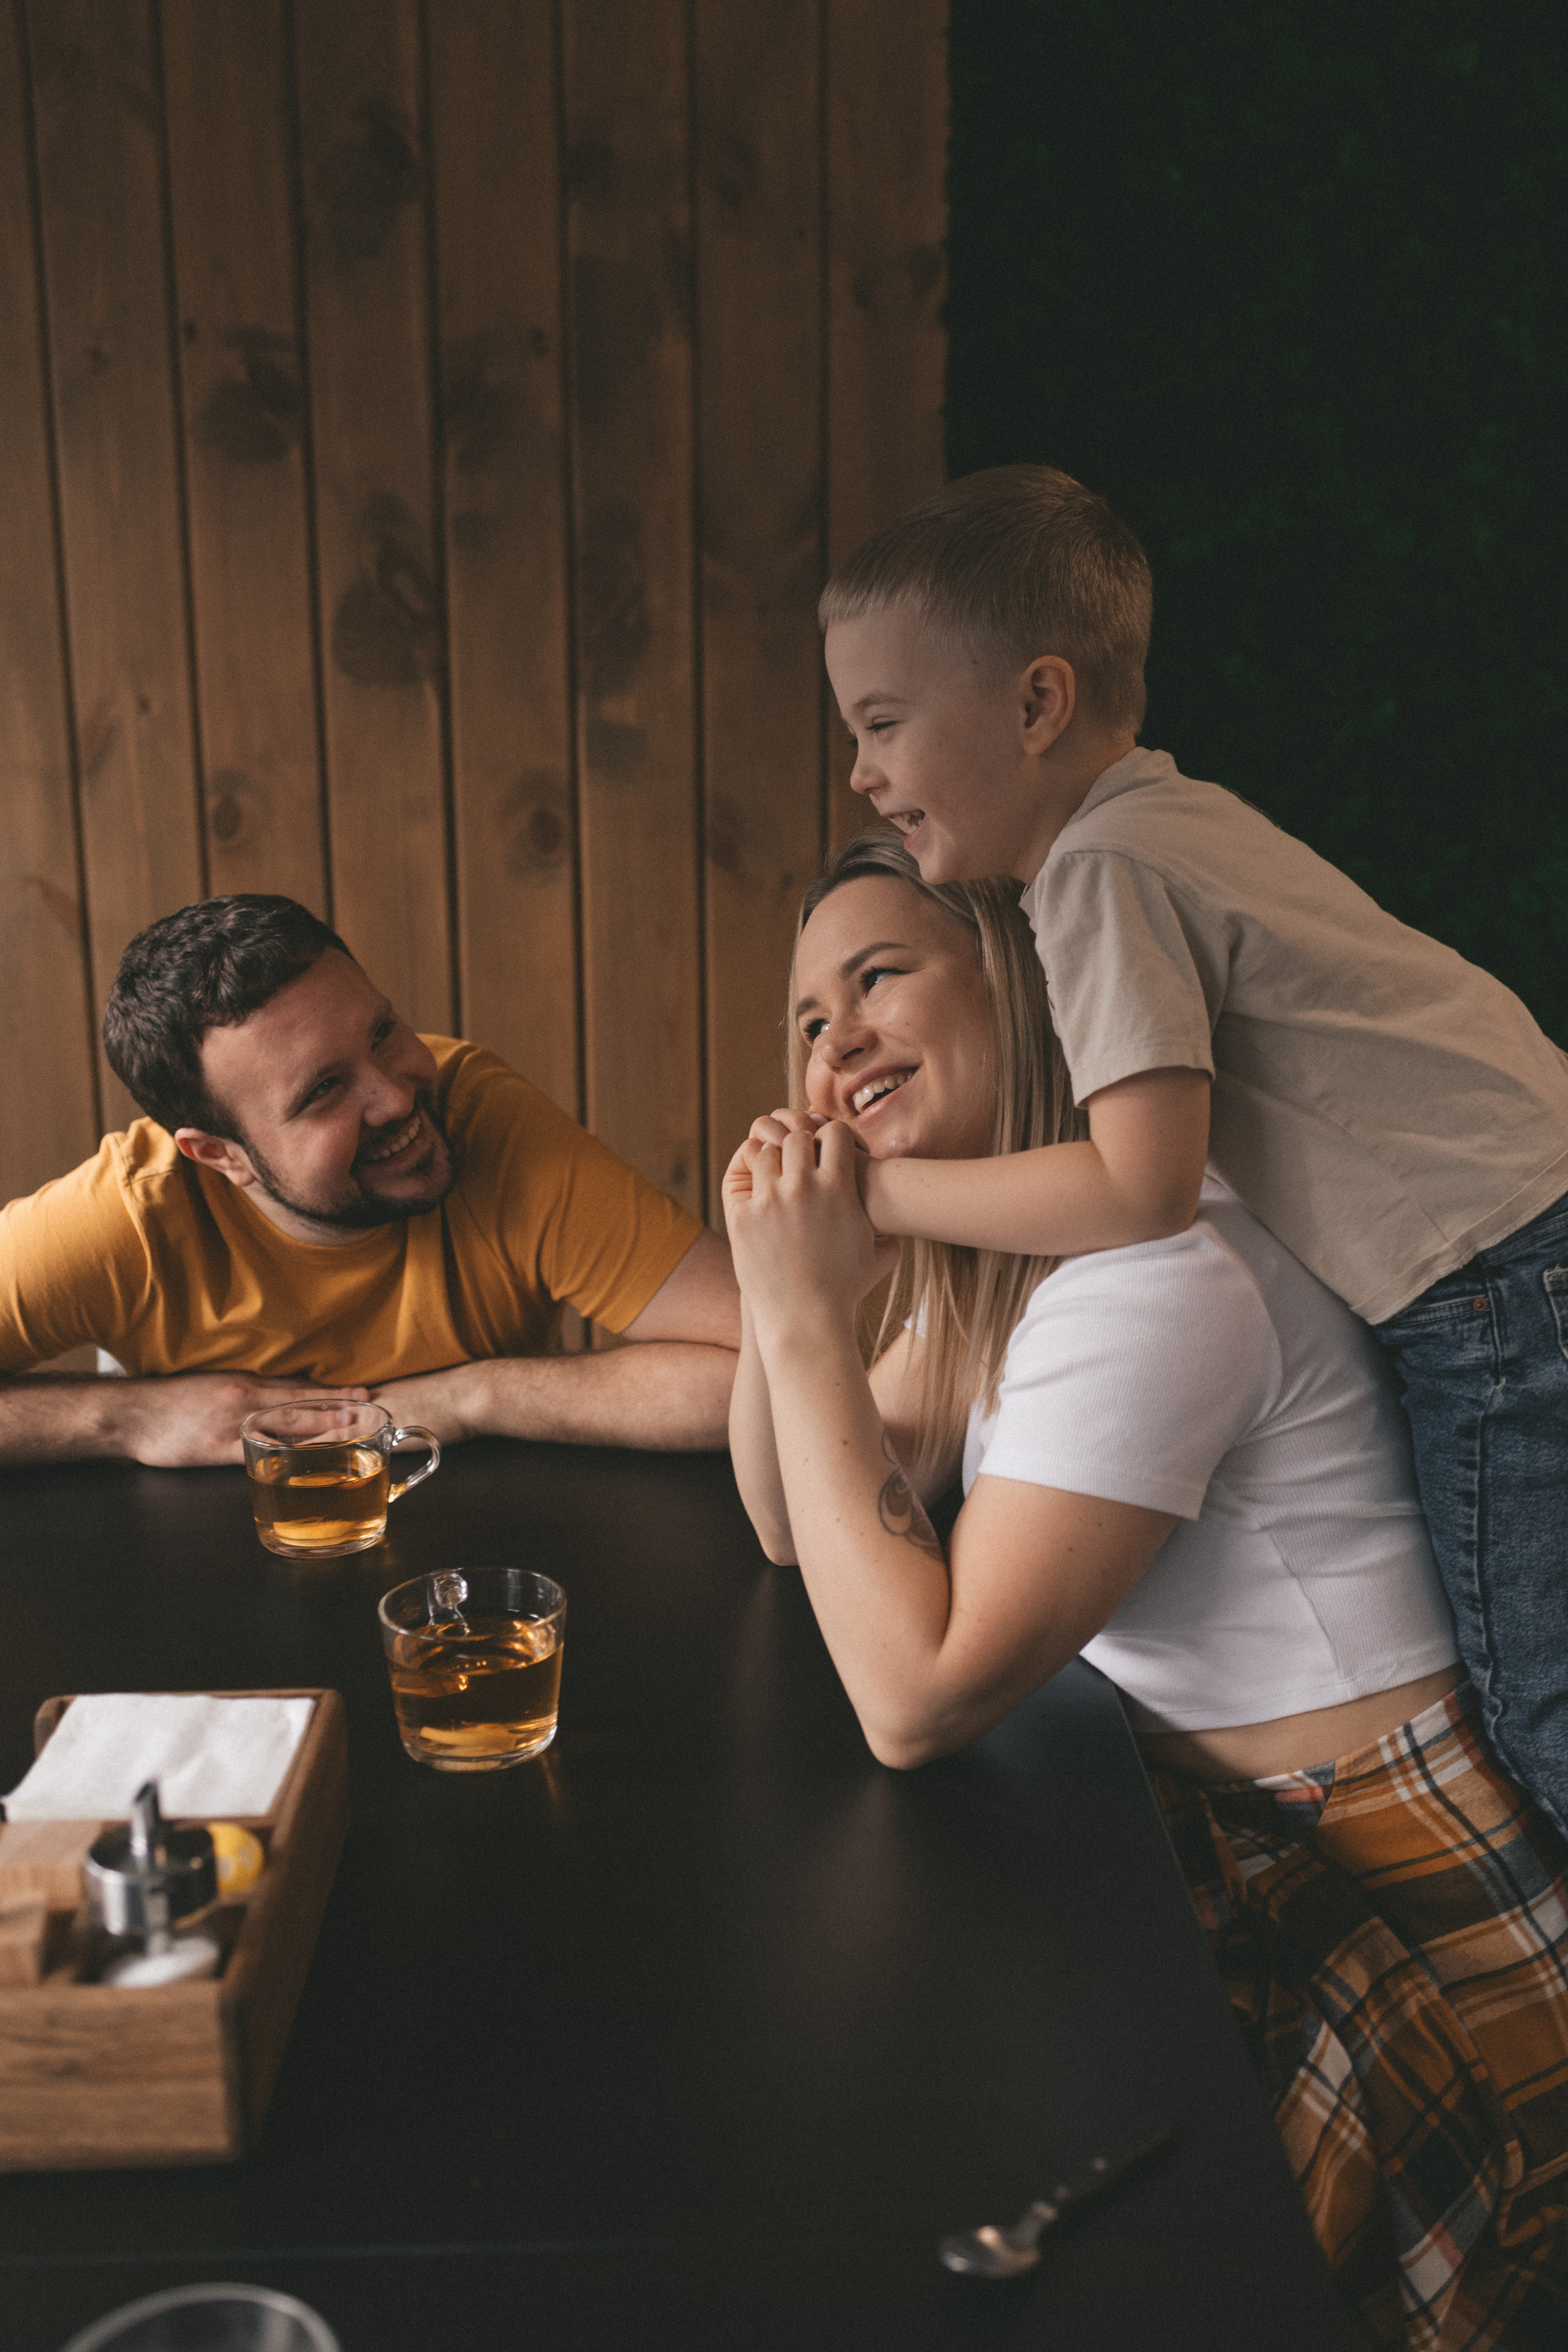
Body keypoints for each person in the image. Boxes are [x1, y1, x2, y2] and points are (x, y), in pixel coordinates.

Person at [725, 834, 1568, 2350]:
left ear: (1023, 984)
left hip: (1396, 1890)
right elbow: (792, 1523)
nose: (831, 1042)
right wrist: (789, 1283)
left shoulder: (1160, 1275)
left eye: (876, 977)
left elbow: (913, 1697)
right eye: (804, 1019)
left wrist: (798, 1319)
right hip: (1202, 1822)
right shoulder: (1013, 1268)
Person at [816, 464, 1568, 1840]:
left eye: (882, 724)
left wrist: (883, 1194)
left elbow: (1140, 1186)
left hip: (1500, 1275)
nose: (862, 772)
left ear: (1035, 706)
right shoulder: (1171, 822)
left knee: (1541, 1702)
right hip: (1522, 1237)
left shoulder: (1099, 874)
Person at [0, 895, 739, 1465]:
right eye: (324, 1091)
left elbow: (770, 1366)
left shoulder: (485, 1120)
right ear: (221, 1156)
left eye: (382, 1033)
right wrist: (128, 1418)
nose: (396, 1098)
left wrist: (473, 1396)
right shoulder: (128, 1214)